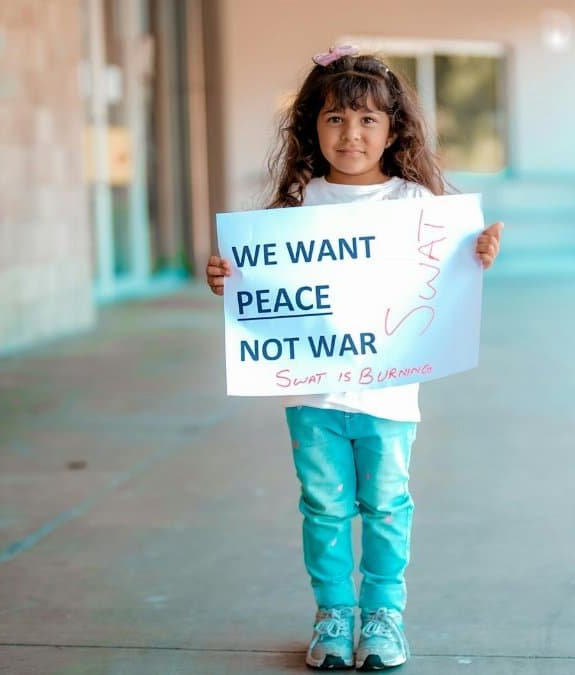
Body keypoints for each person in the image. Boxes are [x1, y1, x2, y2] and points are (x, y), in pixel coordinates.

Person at [207, 44, 502, 670]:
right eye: (336, 118)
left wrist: (478, 251)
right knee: (323, 506)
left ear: (392, 130)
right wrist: (227, 277)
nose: (352, 133)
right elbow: (263, 287)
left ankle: (383, 616)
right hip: (312, 395)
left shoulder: (414, 205)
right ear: (313, 127)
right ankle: (334, 615)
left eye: (368, 119)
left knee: (389, 506)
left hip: (389, 397)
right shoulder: (295, 209)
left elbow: (448, 271)